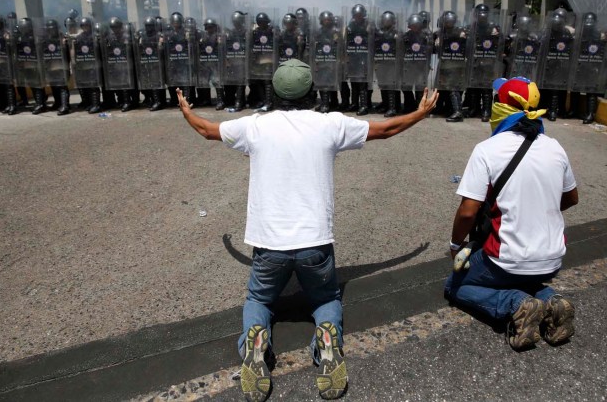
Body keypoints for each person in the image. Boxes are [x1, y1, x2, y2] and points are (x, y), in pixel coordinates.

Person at [176, 59, 438, 401]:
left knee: (259, 299)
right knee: (326, 298)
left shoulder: (255, 127)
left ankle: (256, 341)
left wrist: (186, 111)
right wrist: (420, 113)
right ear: (312, 92)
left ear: (274, 92)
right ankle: (327, 342)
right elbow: (385, 130)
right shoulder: (329, 125)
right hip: (316, 244)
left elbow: (206, 129)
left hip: (269, 246)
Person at [444, 77, 578, 351]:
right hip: (552, 259)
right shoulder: (555, 146)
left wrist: (455, 245)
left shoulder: (487, 150)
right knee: (523, 276)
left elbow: (468, 212)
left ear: (501, 107)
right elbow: (571, 198)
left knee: (455, 286)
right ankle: (550, 299)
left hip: (504, 259)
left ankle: (516, 305)